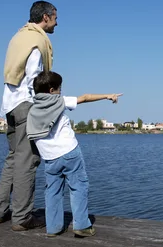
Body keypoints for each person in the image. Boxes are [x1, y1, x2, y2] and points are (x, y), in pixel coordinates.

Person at [27, 70, 122, 237]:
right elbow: (85, 97)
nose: (61, 91)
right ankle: (81, 225)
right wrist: (108, 95)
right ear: (51, 90)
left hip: (49, 158)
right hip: (70, 152)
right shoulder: (59, 100)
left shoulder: (32, 110)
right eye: (59, 88)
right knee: (78, 187)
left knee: (52, 192)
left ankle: (53, 228)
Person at [0, 1, 58, 231]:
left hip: (9, 105)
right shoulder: (36, 41)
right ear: (46, 17)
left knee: (13, 157)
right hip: (25, 105)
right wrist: (44, 108)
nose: (57, 23)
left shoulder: (18, 36)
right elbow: (34, 80)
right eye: (55, 18)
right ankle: (22, 218)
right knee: (27, 161)